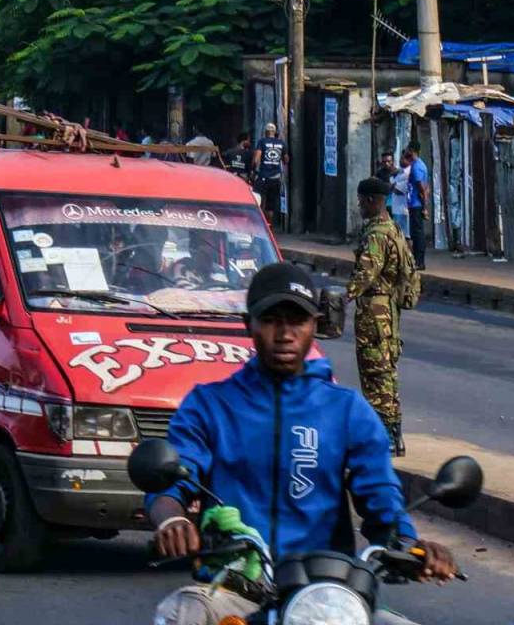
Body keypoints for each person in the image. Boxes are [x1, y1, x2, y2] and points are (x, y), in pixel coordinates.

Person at [148, 262, 455, 625]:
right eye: (271, 320)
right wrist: (172, 522)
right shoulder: (209, 405)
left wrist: (409, 545)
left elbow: (381, 498)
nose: (285, 333)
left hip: (327, 595)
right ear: (250, 325)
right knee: (184, 612)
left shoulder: (346, 410)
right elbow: (171, 481)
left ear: (314, 327)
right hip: (235, 588)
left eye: (297, 320)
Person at [348, 177, 417, 456]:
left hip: (374, 311)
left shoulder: (377, 233)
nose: (359, 205)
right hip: (388, 310)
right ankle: (393, 434)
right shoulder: (395, 230)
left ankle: (385, 437)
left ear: (371, 200)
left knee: (375, 372)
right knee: (386, 372)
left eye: (361, 200)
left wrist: (345, 294)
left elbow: (367, 272)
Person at [252, 123, 287, 227]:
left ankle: (259, 225)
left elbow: (257, 158)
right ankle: (269, 227)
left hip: (263, 176)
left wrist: (253, 170)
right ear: (275, 132)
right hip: (275, 178)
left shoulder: (262, 142)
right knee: (270, 206)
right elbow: (286, 159)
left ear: (266, 132)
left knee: (258, 200)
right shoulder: (281, 143)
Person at [404, 145, 429, 269]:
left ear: (412, 151)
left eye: (408, 150)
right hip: (415, 203)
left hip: (416, 204)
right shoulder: (421, 165)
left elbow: (422, 188)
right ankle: (417, 261)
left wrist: (424, 207)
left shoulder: (416, 167)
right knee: (416, 233)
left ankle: (419, 262)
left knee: (417, 234)